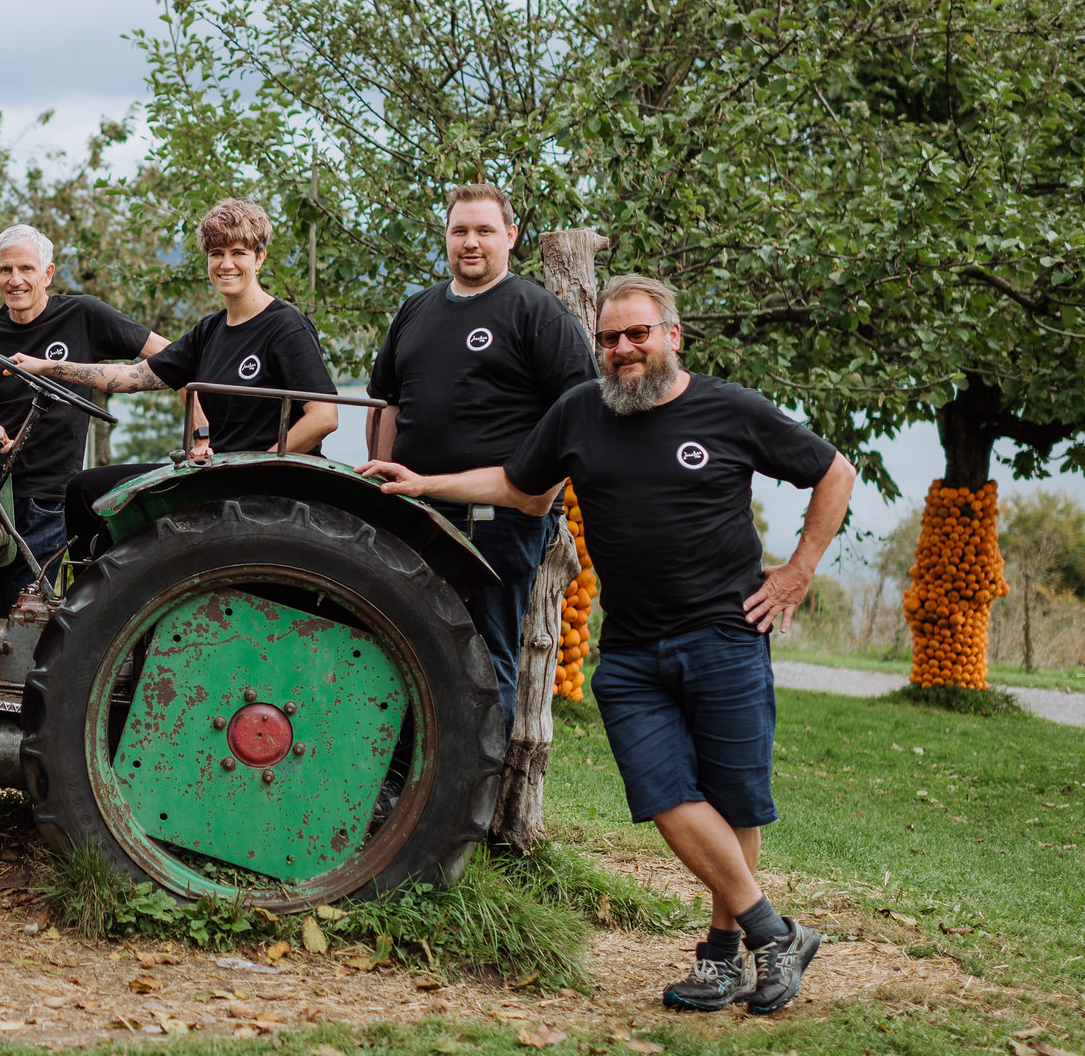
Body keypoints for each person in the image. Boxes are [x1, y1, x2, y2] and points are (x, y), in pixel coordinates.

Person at [357, 273, 856, 1016]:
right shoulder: (580, 413)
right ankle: (775, 932)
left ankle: (723, 958)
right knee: (662, 795)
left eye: (637, 334)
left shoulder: (726, 409)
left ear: (671, 335)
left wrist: (797, 571)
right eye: (610, 339)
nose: (623, 349)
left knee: (731, 798)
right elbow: (521, 489)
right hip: (631, 652)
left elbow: (834, 471)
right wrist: (425, 481)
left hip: (727, 634)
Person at [366, 181, 597, 728]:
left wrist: (541, 497)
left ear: (510, 237)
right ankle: (408, 793)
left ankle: (474, 804)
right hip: (414, 511)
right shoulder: (416, 309)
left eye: (484, 231)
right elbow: (386, 402)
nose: (471, 242)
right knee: (402, 647)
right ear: (446, 237)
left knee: (483, 662)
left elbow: (581, 414)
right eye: (460, 230)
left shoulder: (538, 313)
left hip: (496, 520)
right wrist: (380, 478)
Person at [8, 199, 338, 559]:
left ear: (259, 258)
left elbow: (324, 416)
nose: (226, 264)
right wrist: (47, 367)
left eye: (238, 252)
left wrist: (255, 469)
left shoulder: (285, 327)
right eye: (216, 254)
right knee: (86, 490)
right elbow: (133, 376)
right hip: (212, 473)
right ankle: (93, 599)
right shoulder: (211, 329)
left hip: (258, 486)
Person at [0, 225, 169, 612]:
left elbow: (170, 358)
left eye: (26, 268)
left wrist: (66, 369)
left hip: (52, 497)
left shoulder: (83, 314)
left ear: (48, 273)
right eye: (5, 270)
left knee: (27, 614)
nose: (16, 279)